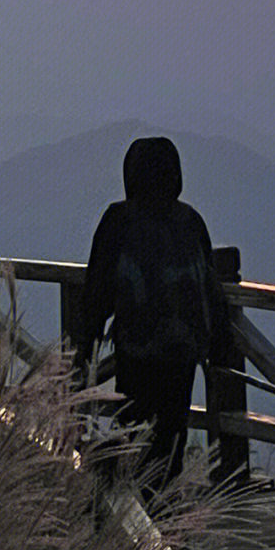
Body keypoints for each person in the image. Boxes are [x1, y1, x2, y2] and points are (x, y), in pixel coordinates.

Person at [76, 136, 229, 489]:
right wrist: (220, 347)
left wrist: (84, 346)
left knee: (136, 435)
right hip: (183, 354)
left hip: (138, 350)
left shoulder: (120, 219)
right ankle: (167, 515)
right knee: (171, 436)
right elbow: (211, 289)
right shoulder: (191, 221)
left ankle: (142, 523)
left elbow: (97, 287)